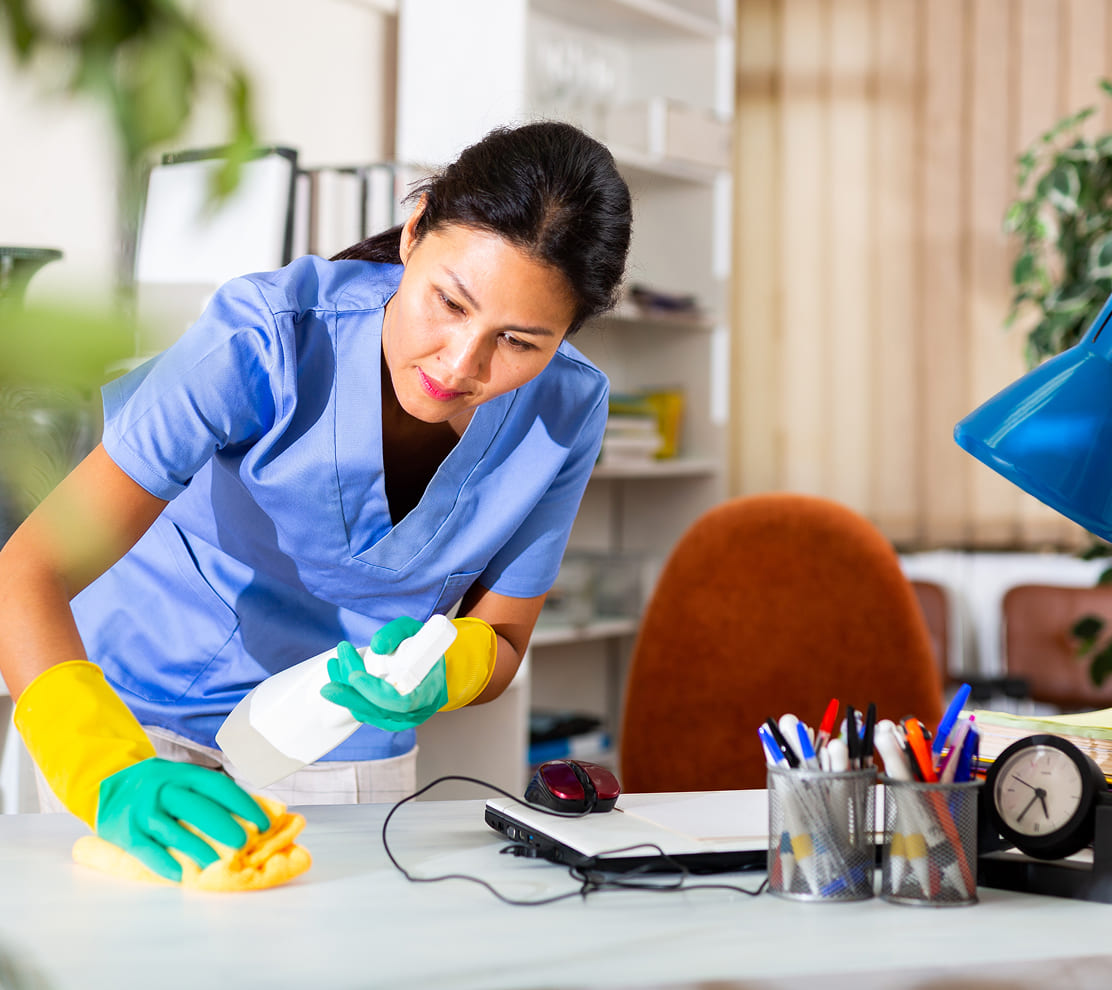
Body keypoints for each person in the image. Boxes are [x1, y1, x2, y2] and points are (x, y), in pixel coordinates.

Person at [0, 120, 633, 881]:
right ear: (413, 231)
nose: (460, 363)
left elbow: (502, 642)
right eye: (449, 302)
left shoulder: (566, 409)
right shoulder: (263, 338)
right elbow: (26, 571)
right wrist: (103, 768)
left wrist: (448, 669)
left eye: (521, 342)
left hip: (340, 740)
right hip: (133, 716)